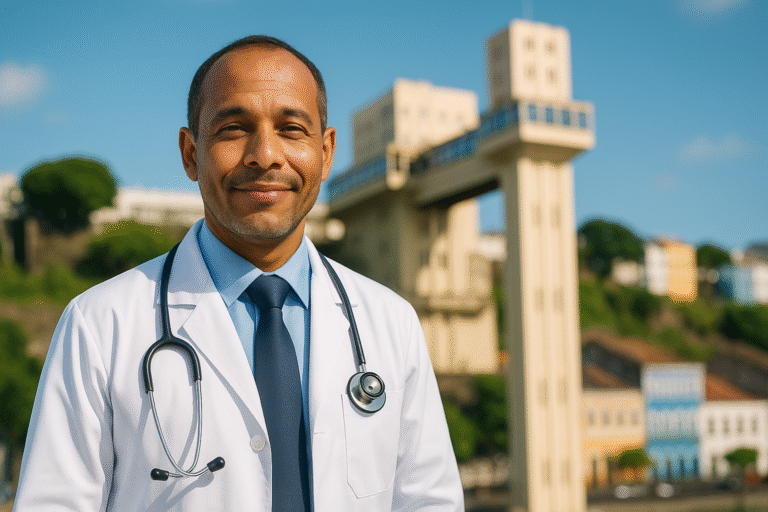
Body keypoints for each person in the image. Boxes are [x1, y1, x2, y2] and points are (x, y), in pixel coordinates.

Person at [13, 36, 464, 511]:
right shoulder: (99, 325)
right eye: (233, 129)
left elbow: (429, 502)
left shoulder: (392, 323)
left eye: (292, 128)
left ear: (326, 152)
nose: (264, 154)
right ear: (191, 153)